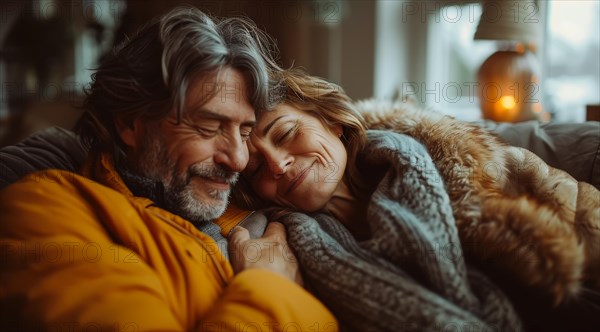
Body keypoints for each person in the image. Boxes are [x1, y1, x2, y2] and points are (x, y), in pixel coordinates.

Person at [0, 7, 337, 331]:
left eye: (244, 132)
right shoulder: (46, 212)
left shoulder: (256, 212)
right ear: (131, 123)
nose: (237, 159)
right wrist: (270, 289)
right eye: (209, 127)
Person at [232, 68, 600, 331]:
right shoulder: (292, 250)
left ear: (333, 122)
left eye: (285, 133)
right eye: (255, 169)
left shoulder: (464, 159)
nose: (277, 165)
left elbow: (586, 222)